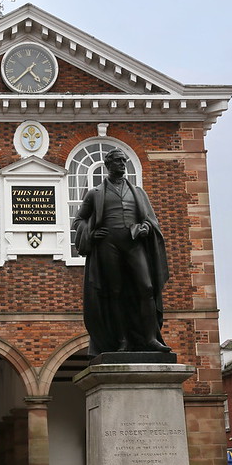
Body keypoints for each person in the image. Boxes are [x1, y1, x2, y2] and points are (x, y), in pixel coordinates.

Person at [72, 147, 170, 356]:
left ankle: (150, 338)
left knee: (146, 287)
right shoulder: (95, 193)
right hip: (109, 245)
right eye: (118, 161)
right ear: (108, 165)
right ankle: (122, 339)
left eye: (124, 161)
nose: (122, 165)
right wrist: (91, 233)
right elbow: (78, 220)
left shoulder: (138, 193)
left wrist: (145, 227)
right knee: (114, 292)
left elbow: (150, 220)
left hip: (134, 245)